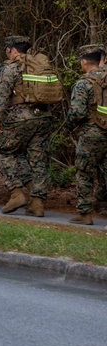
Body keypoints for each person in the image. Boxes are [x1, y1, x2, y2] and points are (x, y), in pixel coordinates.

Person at [0, 35, 55, 217]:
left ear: (12, 50)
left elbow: (2, 94)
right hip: (43, 117)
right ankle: (37, 203)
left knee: (7, 152)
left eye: (7, 50)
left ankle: (16, 192)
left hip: (20, 118)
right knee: (38, 159)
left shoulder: (12, 67)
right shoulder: (41, 66)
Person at [65, 44, 107, 225]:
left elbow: (77, 113)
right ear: (101, 60)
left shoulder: (84, 83)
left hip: (92, 133)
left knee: (84, 172)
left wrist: (69, 127)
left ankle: (85, 214)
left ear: (84, 62)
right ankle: (103, 205)